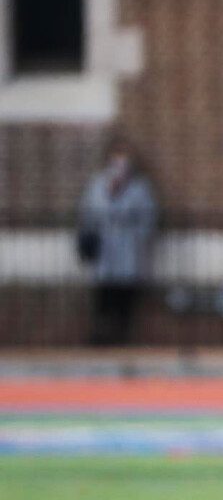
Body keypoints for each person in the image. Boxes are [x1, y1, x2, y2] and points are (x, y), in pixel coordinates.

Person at [78, 137, 158, 346]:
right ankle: (100, 333)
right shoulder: (99, 183)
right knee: (103, 293)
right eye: (116, 158)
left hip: (128, 246)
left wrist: (138, 237)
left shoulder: (140, 187)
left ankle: (121, 336)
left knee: (125, 293)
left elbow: (148, 218)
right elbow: (89, 213)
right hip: (105, 246)